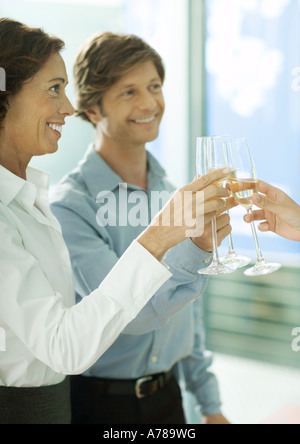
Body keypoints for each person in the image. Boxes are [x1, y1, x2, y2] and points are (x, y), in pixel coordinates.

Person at [0, 18, 232, 425]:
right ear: (95, 108)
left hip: (168, 397)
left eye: (154, 87)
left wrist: (210, 403)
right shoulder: (69, 205)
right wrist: (171, 242)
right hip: (101, 403)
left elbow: (186, 319)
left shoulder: (170, 191)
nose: (149, 103)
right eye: (129, 91)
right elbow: (131, 319)